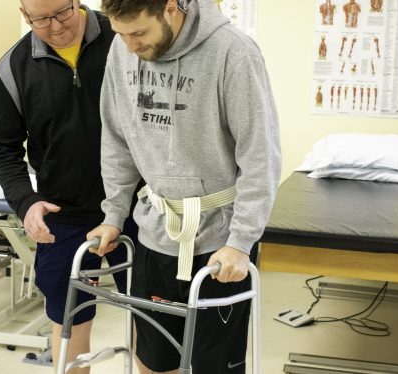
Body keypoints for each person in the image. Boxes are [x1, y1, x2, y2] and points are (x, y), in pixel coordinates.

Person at [87, 0, 281, 372]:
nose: (130, 46)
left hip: (219, 243)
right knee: (153, 361)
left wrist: (241, 242)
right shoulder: (121, 49)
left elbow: (260, 156)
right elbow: (116, 138)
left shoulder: (233, 53)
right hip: (154, 231)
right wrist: (113, 214)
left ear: (171, 8)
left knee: (214, 366)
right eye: (121, 34)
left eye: (140, 33)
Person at [0, 1, 138, 372]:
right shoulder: (13, 68)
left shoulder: (125, 37)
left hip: (137, 209)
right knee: (69, 321)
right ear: (24, 14)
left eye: (62, 13)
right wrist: (26, 202)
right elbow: (2, 148)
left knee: (149, 318)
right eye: (40, 20)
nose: (55, 27)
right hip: (63, 213)